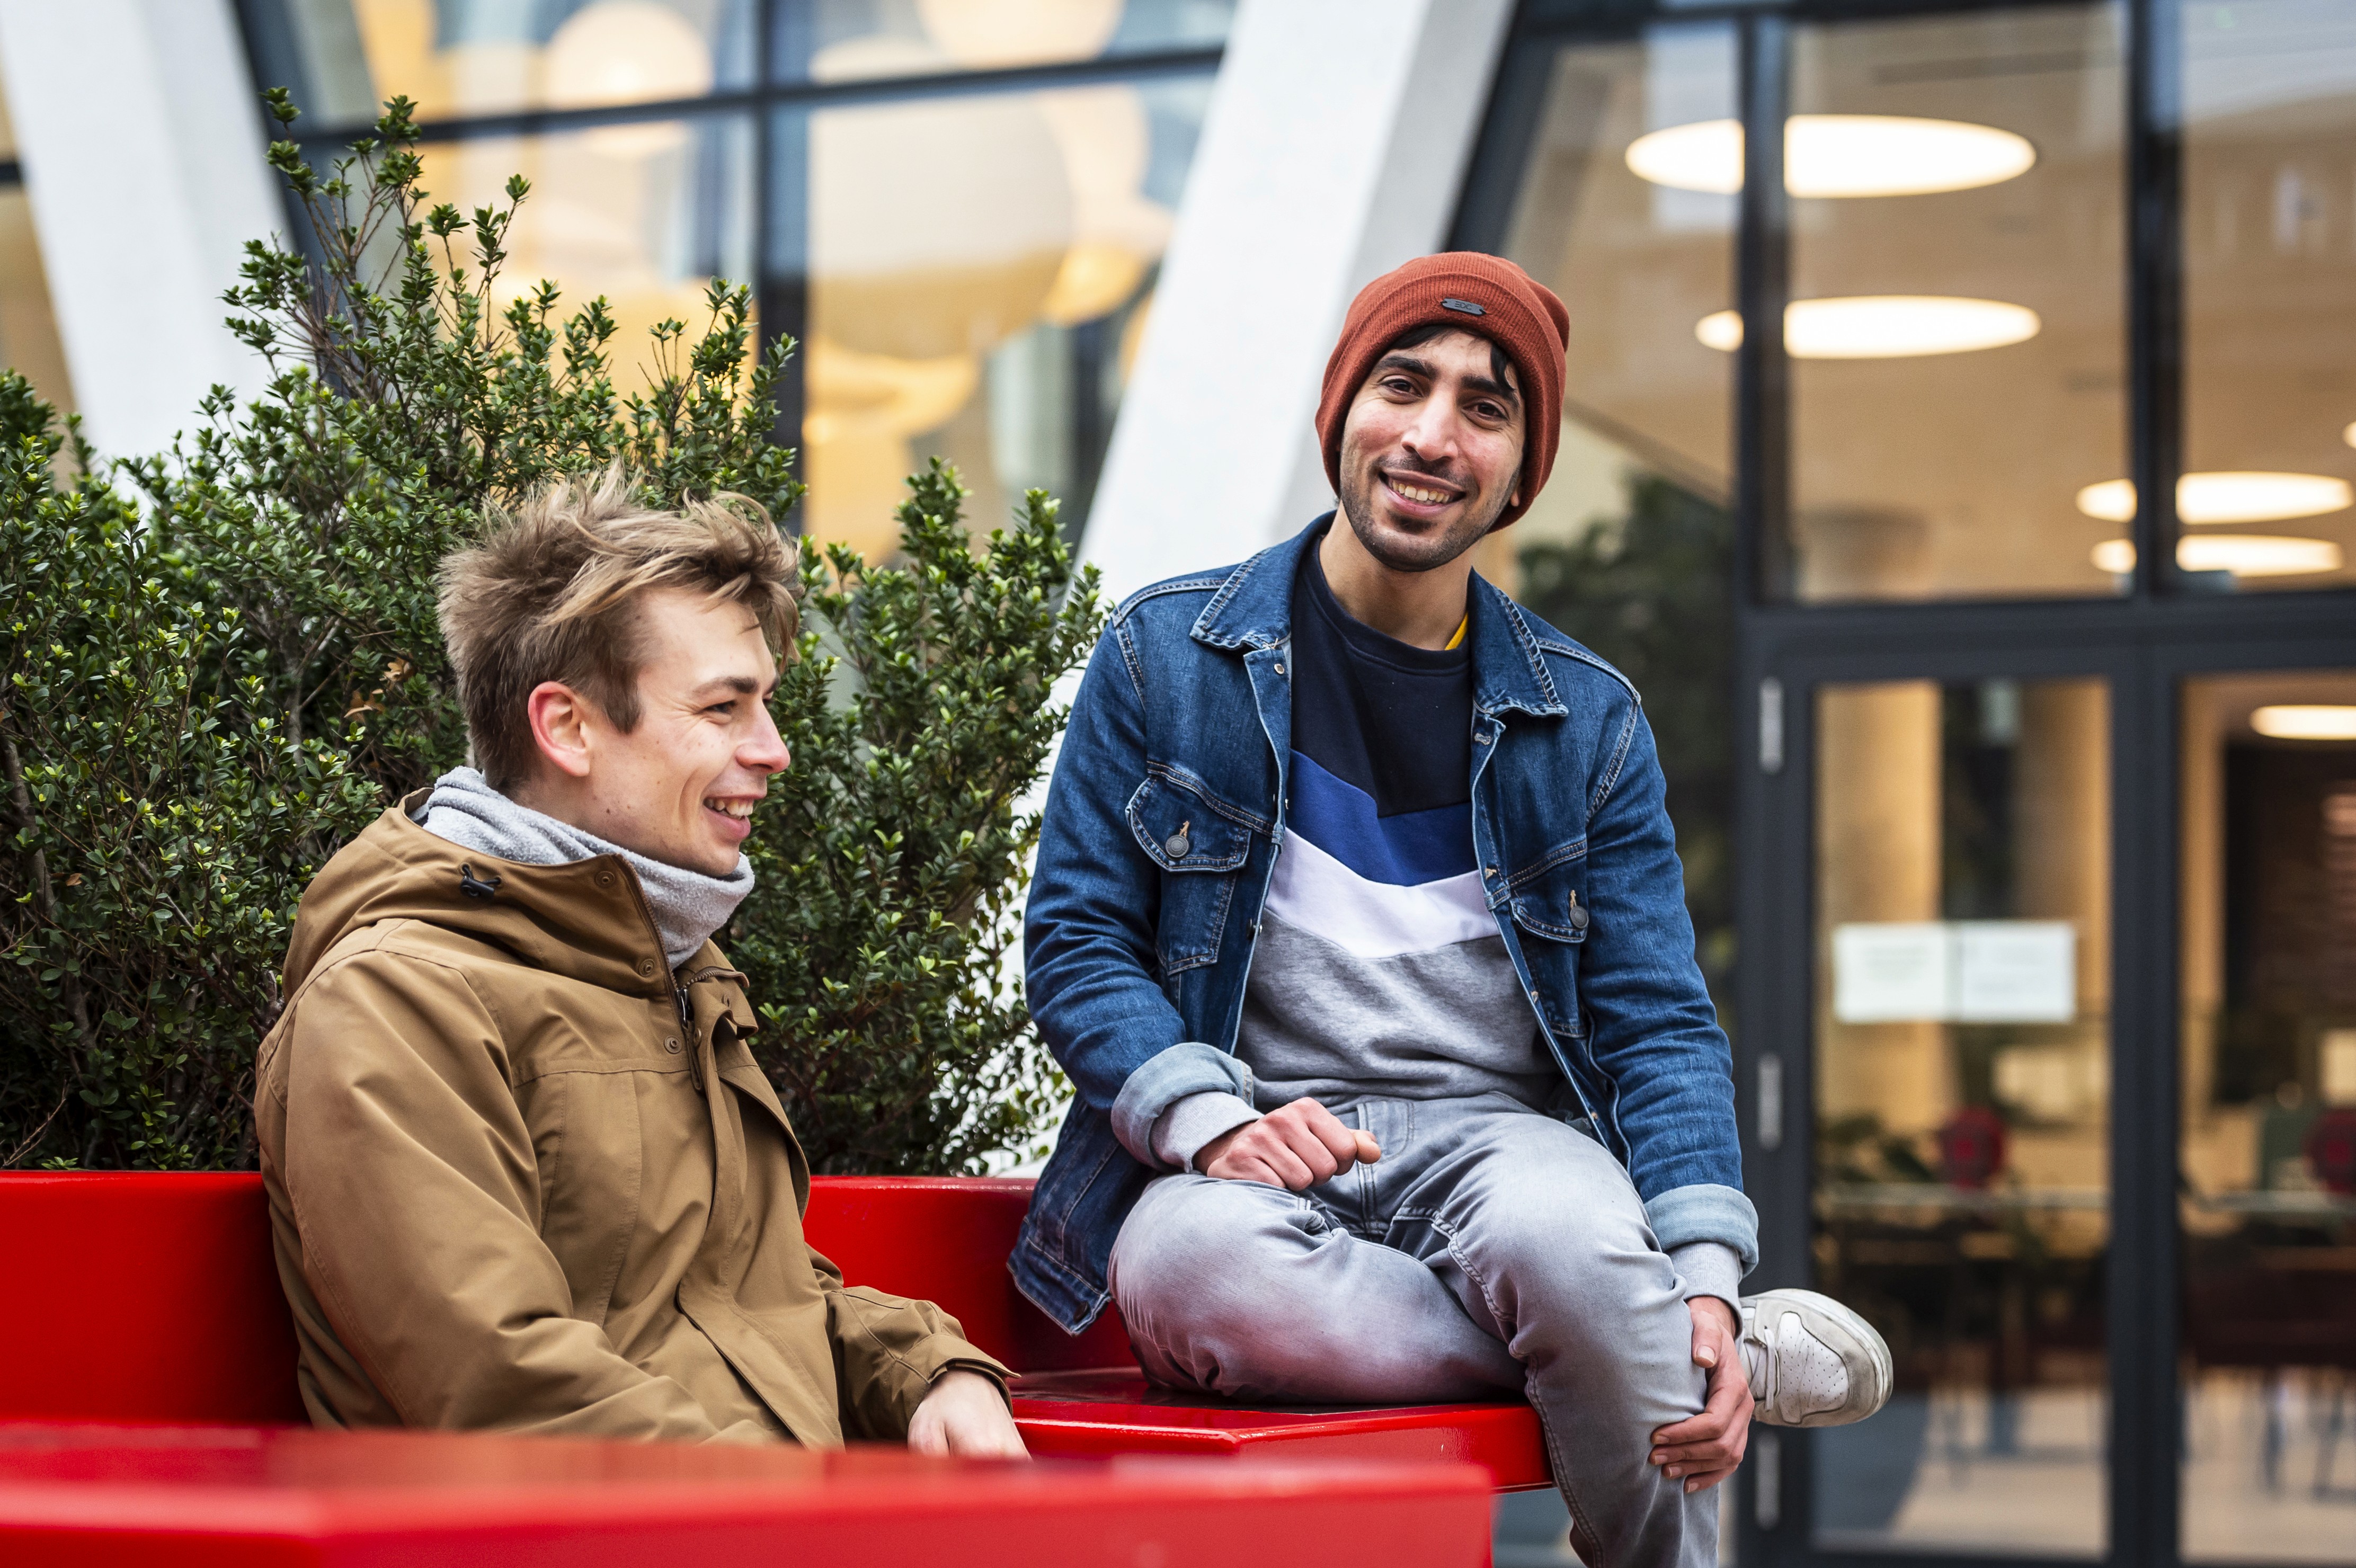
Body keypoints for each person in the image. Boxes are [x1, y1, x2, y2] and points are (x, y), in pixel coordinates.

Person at [1013, 254, 1887, 1566]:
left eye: (1486, 407)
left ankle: (1632, 1346)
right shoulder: (1163, 654)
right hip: (1257, 1132)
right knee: (1184, 1276)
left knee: (1584, 1253)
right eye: (1402, 384)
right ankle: (1634, 1351)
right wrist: (1209, 1123)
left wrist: (1699, 1265)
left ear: (1523, 466)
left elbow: (1655, 1021)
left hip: (1500, 1149)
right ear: (1339, 409)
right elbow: (1078, 940)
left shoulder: (1585, 720)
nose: (1432, 435)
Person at [255, 469, 1025, 1456]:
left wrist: (923, 1370)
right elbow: (506, 1388)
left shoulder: (663, 965)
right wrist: (828, 1523)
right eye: (722, 708)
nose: (775, 749)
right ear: (567, 726)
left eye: (768, 705)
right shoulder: (394, 1003)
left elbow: (736, 1300)